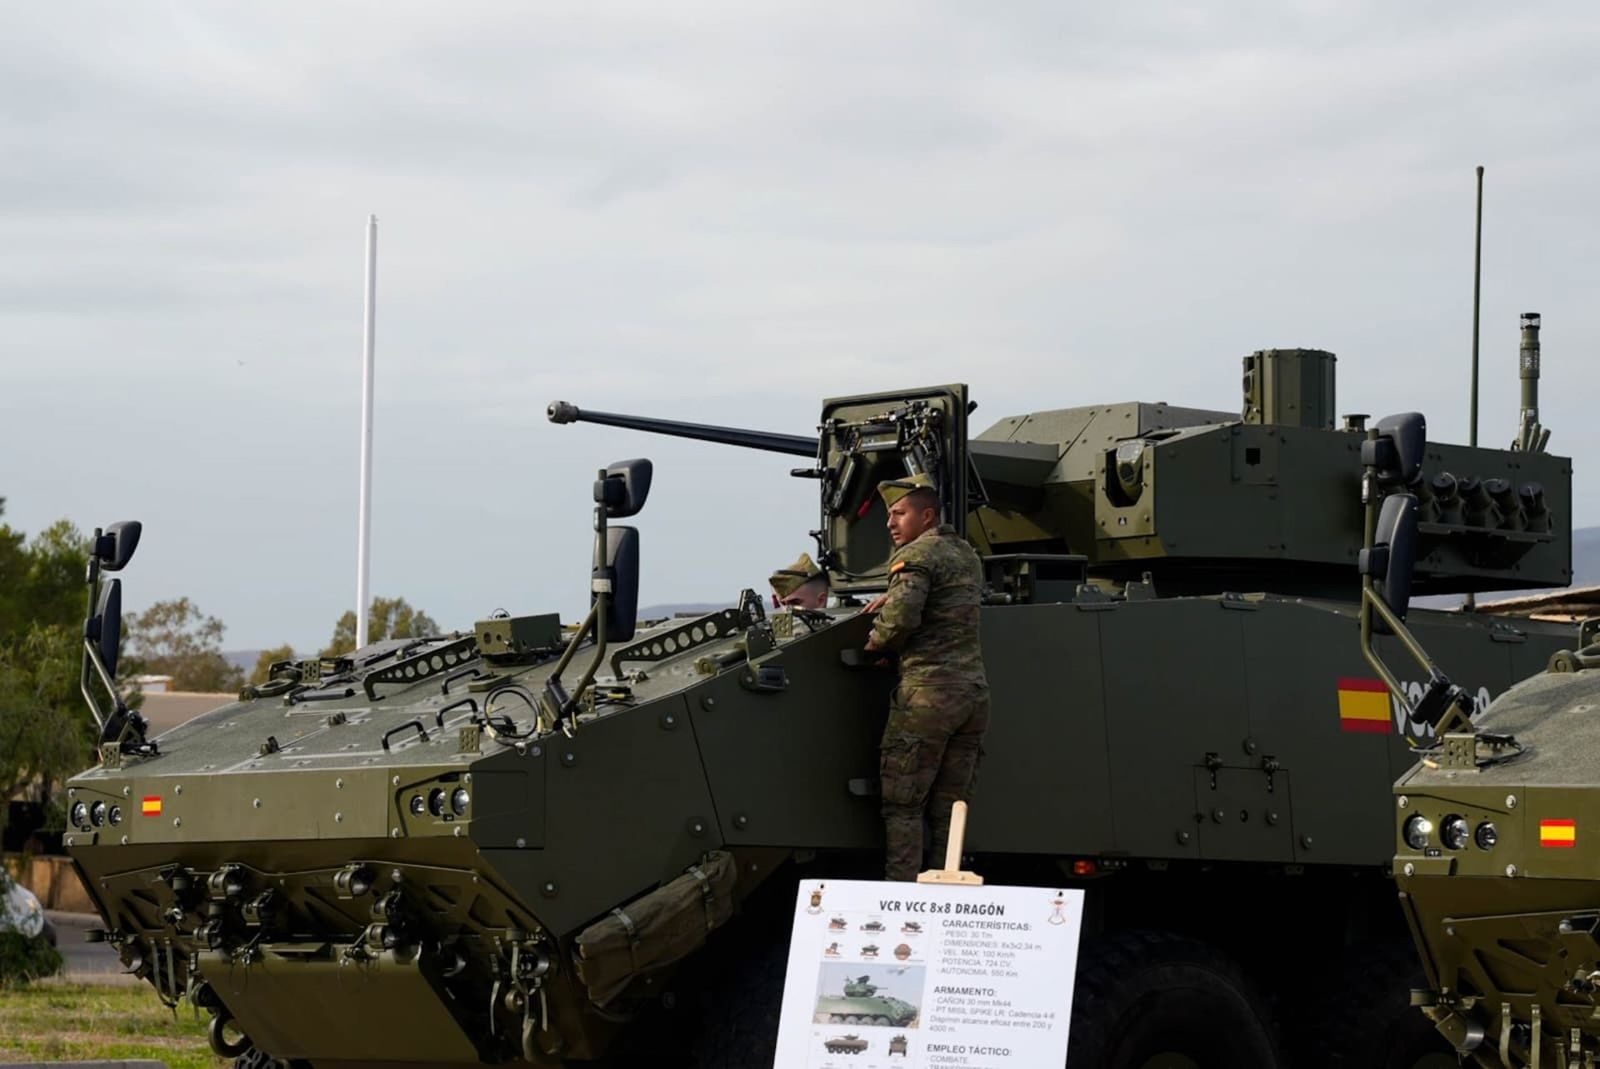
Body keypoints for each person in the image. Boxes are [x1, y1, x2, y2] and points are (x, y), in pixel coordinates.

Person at [863, 473, 989, 881]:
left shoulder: (916, 555)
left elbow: (900, 620)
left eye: (900, 513)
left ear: (928, 516)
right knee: (951, 806)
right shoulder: (965, 553)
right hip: (972, 695)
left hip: (927, 697)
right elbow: (945, 602)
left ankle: (902, 895)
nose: (890, 523)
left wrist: (874, 646)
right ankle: (945, 891)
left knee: (903, 804)